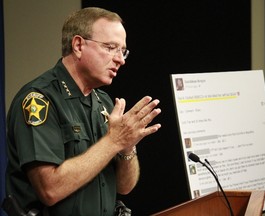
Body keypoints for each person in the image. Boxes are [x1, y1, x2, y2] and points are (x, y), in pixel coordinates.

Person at [4, 7, 161, 216]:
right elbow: (50, 189)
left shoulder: (103, 102)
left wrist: (127, 148)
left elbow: (125, 187)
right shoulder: (39, 100)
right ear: (78, 45)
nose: (120, 59)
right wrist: (114, 141)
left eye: (123, 51)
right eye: (111, 47)